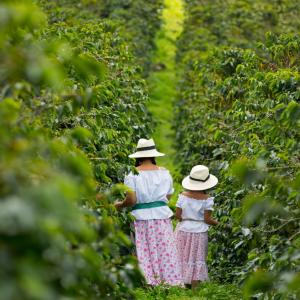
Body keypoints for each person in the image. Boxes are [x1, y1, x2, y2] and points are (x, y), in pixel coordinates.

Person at [115, 138, 182, 286]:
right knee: (164, 248)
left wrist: (120, 205)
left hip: (141, 217)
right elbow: (168, 195)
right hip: (161, 215)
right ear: (153, 156)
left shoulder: (132, 174)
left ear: (138, 156)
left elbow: (131, 200)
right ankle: (169, 280)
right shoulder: (164, 173)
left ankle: (148, 280)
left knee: (144, 250)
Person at [175, 165, 219, 289]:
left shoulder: (183, 196)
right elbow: (207, 219)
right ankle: (195, 288)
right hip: (199, 231)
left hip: (183, 230)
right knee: (196, 258)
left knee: (182, 255)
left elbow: (177, 215)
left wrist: (186, 218)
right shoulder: (207, 200)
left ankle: (182, 284)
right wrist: (219, 224)